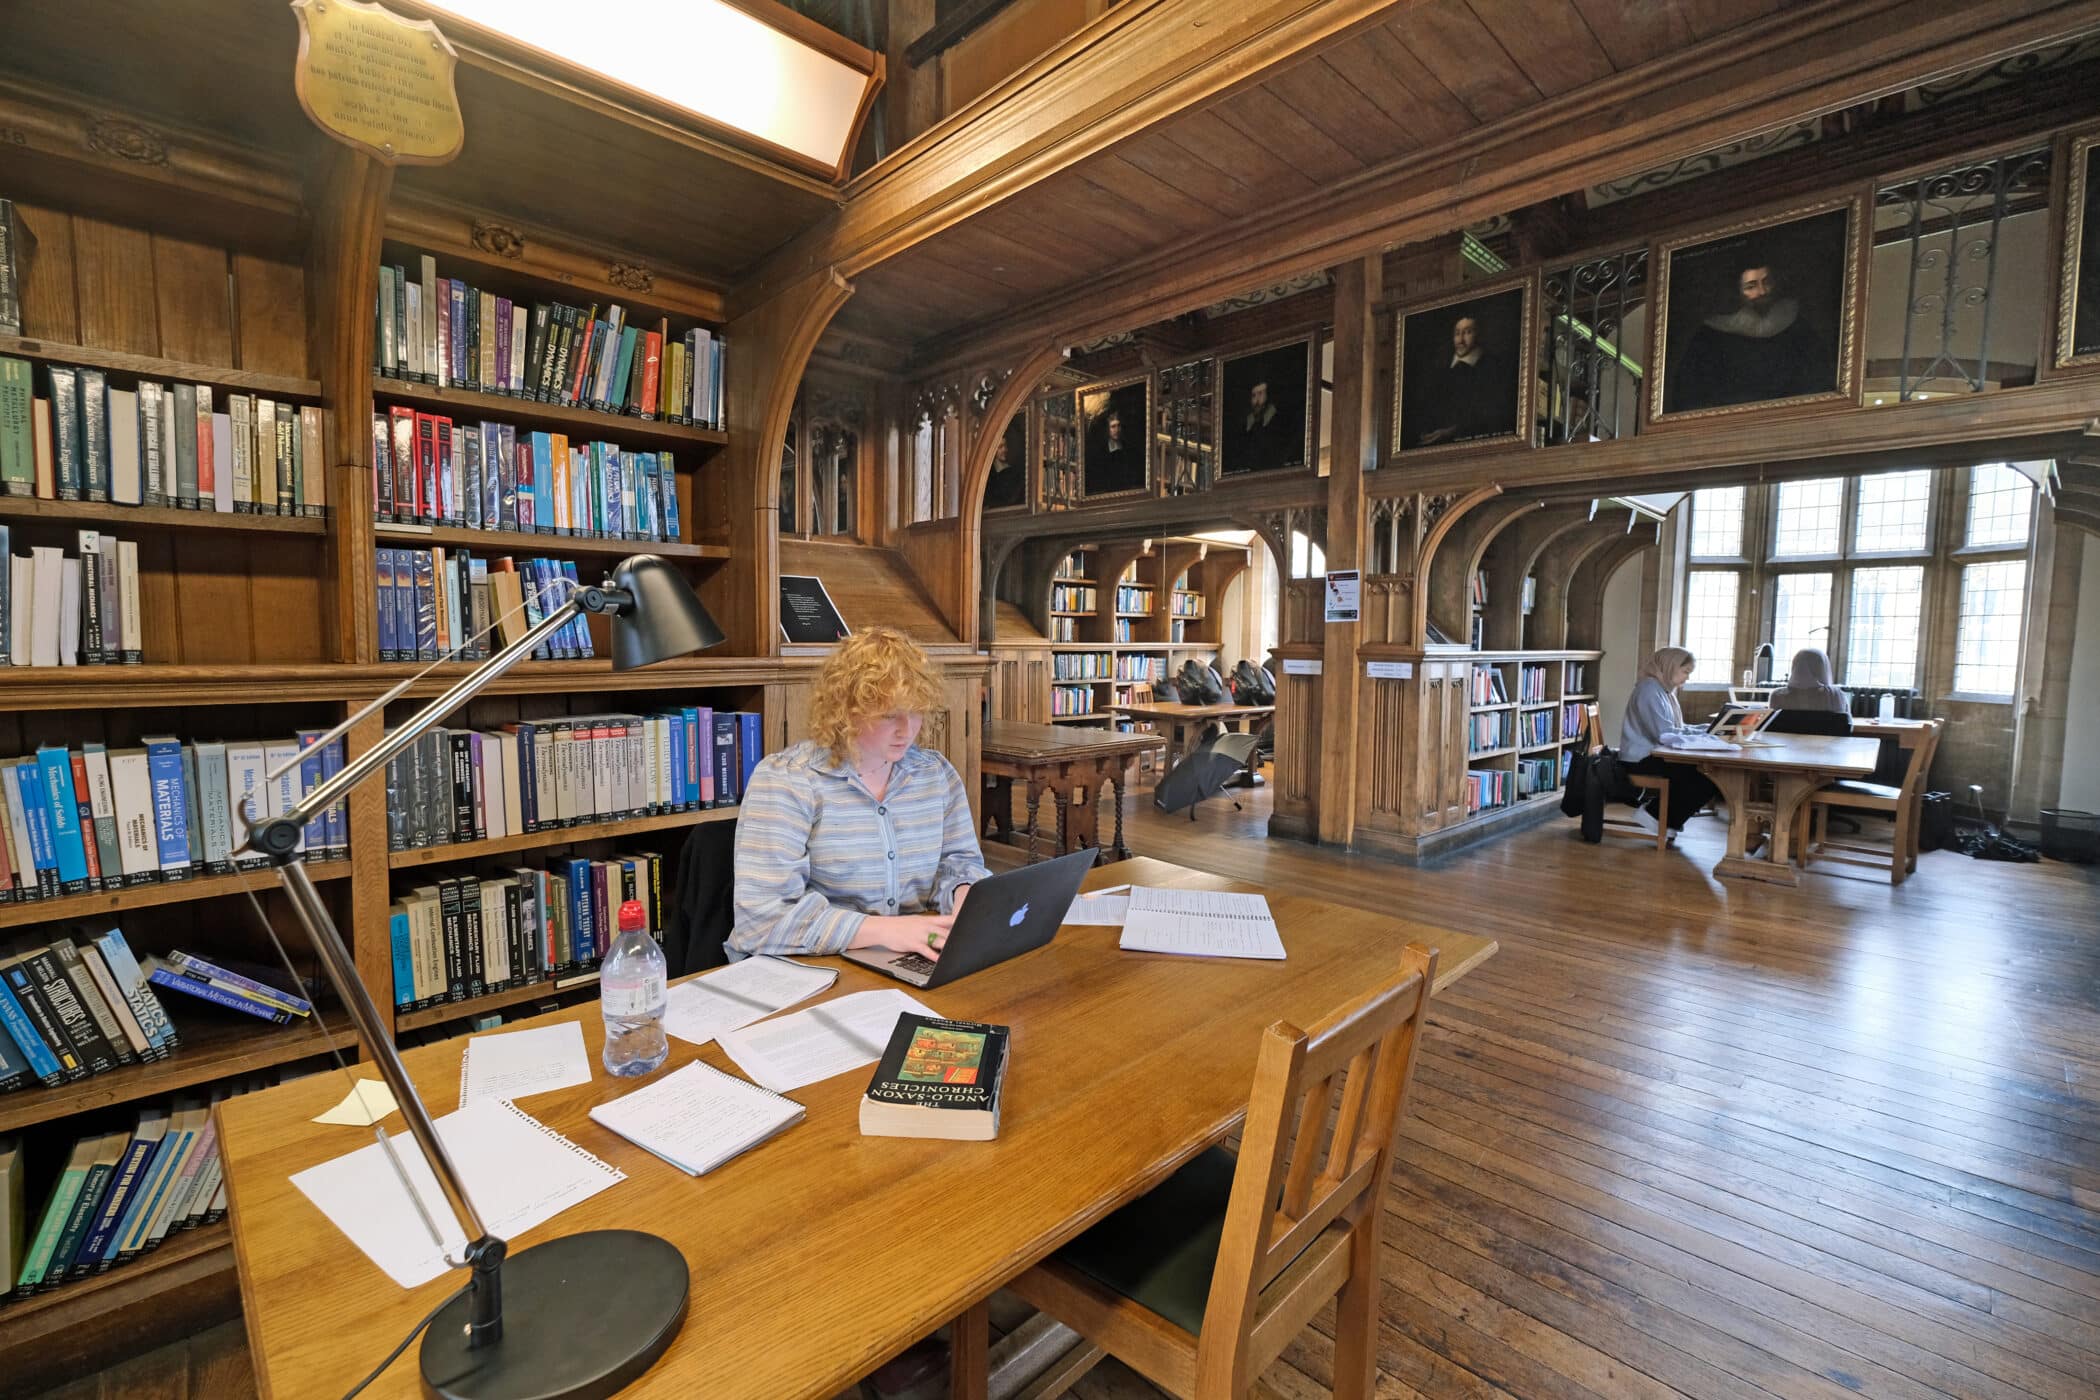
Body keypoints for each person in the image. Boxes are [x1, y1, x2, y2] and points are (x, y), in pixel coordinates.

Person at [729, 628, 990, 961]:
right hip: (806, 966)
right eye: (888, 715)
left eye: (915, 711)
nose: (906, 729)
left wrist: (966, 901)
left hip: (906, 953)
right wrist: (888, 931)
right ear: (846, 711)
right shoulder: (788, 780)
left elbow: (960, 864)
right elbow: (761, 922)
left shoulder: (934, 775)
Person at [1671, 259, 1835, 411]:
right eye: (1751, 286)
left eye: (1767, 282)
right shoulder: (1710, 335)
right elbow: (1690, 393)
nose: (1762, 291)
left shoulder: (1795, 322)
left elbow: (1819, 378)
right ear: (1738, 292)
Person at [1618, 645, 1724, 835]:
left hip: (1654, 755)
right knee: (1707, 775)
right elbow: (1664, 734)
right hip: (1639, 759)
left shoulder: (1664, 690)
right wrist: (1703, 734)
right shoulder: (1649, 689)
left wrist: (1706, 729)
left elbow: (1677, 728)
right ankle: (1655, 815)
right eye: (1685, 672)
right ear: (1670, 667)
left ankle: (1665, 817)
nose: (1687, 678)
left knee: (1710, 773)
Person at [1416, 313, 1508, 446]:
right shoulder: (1440, 367)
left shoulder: (1492, 367)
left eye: (1468, 332)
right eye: (1457, 333)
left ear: (1478, 335)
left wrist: (1450, 432)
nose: (1460, 340)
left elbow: (1489, 416)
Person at [1769, 647, 1848, 713]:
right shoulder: (1836, 695)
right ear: (1823, 668)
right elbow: (1847, 725)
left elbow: (1770, 725)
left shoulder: (1777, 695)